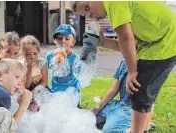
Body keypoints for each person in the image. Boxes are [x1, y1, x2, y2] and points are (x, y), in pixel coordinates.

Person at [70, 1, 176, 133]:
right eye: (86, 14)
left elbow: (126, 39)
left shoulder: (114, 3)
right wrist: (102, 42)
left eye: (87, 8)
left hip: (164, 43)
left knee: (139, 92)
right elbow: (131, 44)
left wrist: (132, 72)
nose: (91, 15)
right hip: (157, 41)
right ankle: (143, 127)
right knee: (144, 93)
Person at [91, 60, 154, 133]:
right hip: (117, 105)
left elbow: (150, 99)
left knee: (108, 131)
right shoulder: (124, 62)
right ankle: (129, 124)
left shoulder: (148, 65)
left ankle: (138, 125)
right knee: (89, 119)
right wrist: (98, 108)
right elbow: (114, 88)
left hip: (130, 109)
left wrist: (144, 128)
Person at [46, 24, 83, 106]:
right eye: (59, 38)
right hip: (56, 91)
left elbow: (80, 74)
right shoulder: (49, 56)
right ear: (54, 40)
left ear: (73, 42)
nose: (63, 41)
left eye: (67, 38)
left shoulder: (75, 58)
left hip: (72, 91)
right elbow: (44, 73)